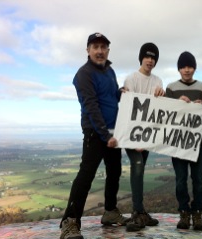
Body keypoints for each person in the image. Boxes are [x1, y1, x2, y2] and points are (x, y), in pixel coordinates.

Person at [60, 32, 129, 239]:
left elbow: (110, 97)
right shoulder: (84, 74)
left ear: (108, 50)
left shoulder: (110, 71)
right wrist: (103, 133)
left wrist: (121, 92)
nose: (100, 51)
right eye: (95, 47)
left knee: (114, 172)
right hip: (95, 132)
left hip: (112, 132)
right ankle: (70, 222)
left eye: (103, 47)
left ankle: (109, 211)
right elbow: (90, 105)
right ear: (88, 50)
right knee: (86, 176)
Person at [123, 42, 165, 232]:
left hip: (148, 135)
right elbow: (129, 108)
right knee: (137, 166)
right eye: (147, 56)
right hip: (131, 134)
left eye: (153, 57)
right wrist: (135, 140)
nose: (150, 60)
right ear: (141, 58)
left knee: (141, 169)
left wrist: (161, 95)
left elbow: (158, 109)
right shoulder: (131, 79)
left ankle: (141, 212)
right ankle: (137, 212)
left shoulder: (158, 81)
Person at [165, 51, 202, 231]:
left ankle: (197, 213)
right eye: (183, 67)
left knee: (198, 178)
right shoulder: (171, 88)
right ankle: (183, 212)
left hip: (198, 140)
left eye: (190, 66)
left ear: (194, 68)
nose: (187, 70)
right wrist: (176, 102)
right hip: (177, 140)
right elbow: (165, 114)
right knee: (181, 179)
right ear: (179, 69)